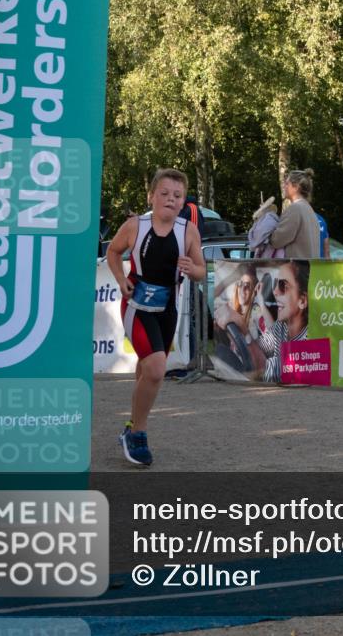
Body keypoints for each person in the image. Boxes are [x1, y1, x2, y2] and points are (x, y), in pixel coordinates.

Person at [107, 168, 205, 465]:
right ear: (151, 196)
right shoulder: (135, 226)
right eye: (164, 194)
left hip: (168, 309)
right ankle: (137, 433)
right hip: (137, 306)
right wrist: (119, 278)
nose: (170, 200)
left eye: (177, 196)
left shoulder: (188, 230)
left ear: (183, 201)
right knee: (156, 369)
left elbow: (201, 272)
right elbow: (113, 252)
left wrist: (192, 268)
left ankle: (130, 425)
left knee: (146, 368)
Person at [213, 264, 276, 375]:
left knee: (219, 351)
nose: (242, 290)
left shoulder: (256, 312)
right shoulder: (233, 308)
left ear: (254, 290)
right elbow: (212, 295)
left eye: (247, 286)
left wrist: (261, 301)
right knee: (218, 350)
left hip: (250, 365)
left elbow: (273, 334)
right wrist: (233, 277)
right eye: (240, 285)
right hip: (237, 359)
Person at [259, 260, 310, 383]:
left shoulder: (310, 338)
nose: (275, 292)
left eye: (283, 286)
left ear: (302, 301)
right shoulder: (281, 326)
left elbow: (279, 370)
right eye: (275, 284)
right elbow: (263, 345)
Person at [267, 170, 321, 258]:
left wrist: (266, 224)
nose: (284, 186)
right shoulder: (309, 209)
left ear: (296, 187)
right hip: (309, 268)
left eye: (287, 183)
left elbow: (276, 241)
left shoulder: (295, 208)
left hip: (296, 269)